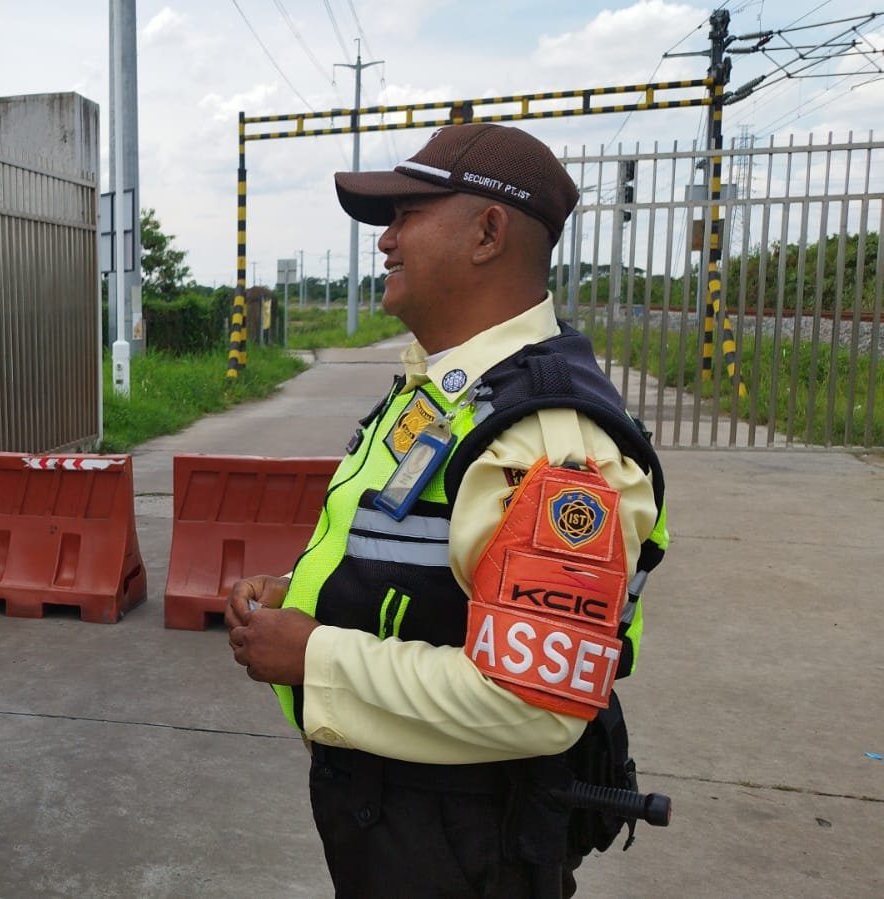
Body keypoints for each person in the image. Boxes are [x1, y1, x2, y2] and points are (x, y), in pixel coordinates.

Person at [224, 123, 669, 898]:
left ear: (487, 233)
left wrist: (314, 654)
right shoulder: (448, 394)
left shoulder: (544, 433)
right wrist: (305, 593)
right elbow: (420, 562)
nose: (385, 241)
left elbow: (531, 703)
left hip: (465, 844)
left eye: (406, 215)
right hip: (401, 819)